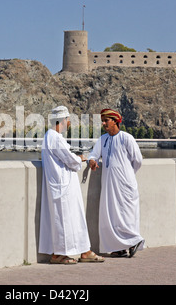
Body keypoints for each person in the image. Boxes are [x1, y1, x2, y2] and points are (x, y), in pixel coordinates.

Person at [39, 106, 104, 264]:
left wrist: (76, 158)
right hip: (63, 188)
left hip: (64, 186)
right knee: (63, 221)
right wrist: (80, 158)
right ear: (62, 120)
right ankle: (58, 255)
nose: (69, 123)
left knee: (74, 219)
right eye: (68, 120)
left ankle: (85, 251)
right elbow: (70, 160)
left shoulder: (51, 137)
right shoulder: (55, 137)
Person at [88, 108, 145, 258]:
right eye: (103, 121)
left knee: (127, 213)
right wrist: (92, 161)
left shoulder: (127, 138)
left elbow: (137, 160)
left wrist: (127, 175)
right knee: (112, 214)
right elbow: (93, 154)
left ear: (115, 121)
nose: (104, 124)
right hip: (109, 185)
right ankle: (119, 248)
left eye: (106, 120)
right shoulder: (103, 139)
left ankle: (133, 241)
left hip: (125, 183)